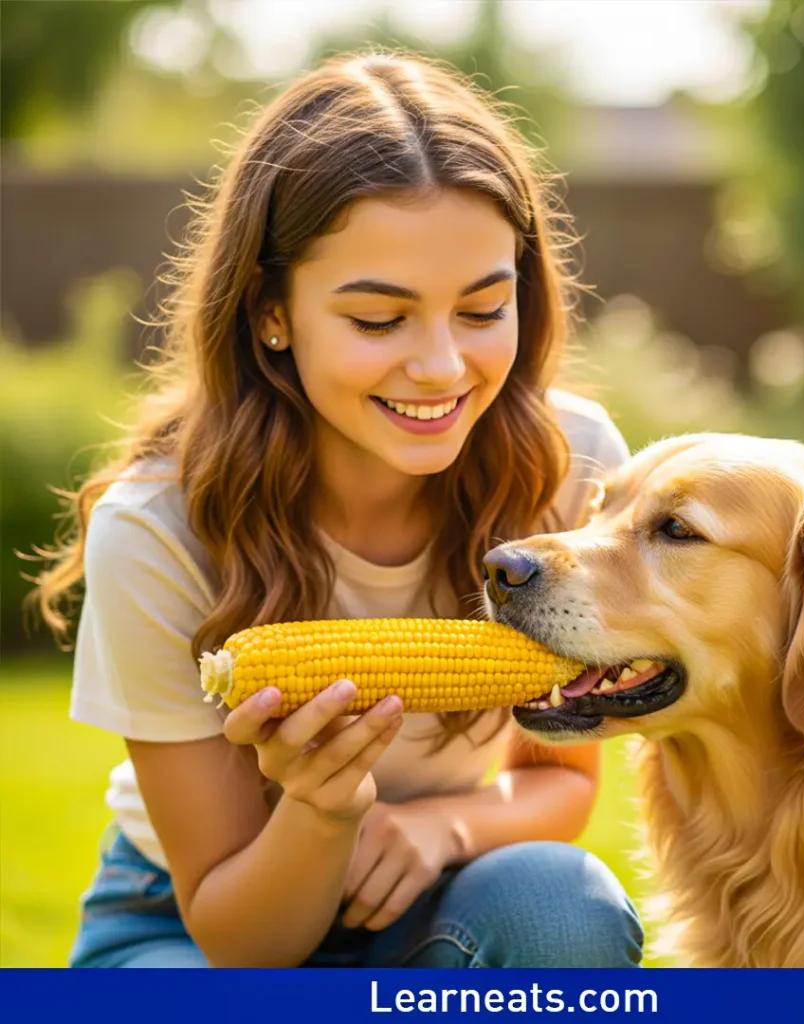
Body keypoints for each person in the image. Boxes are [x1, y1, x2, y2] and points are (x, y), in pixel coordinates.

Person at [30, 48, 642, 969]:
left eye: (482, 309)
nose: (441, 367)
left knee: (563, 906)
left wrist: (444, 828)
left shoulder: (573, 464)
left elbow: (558, 785)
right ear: (273, 311)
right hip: (193, 920)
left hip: (437, 892)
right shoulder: (158, 528)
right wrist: (322, 807)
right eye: (379, 319)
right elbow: (240, 940)